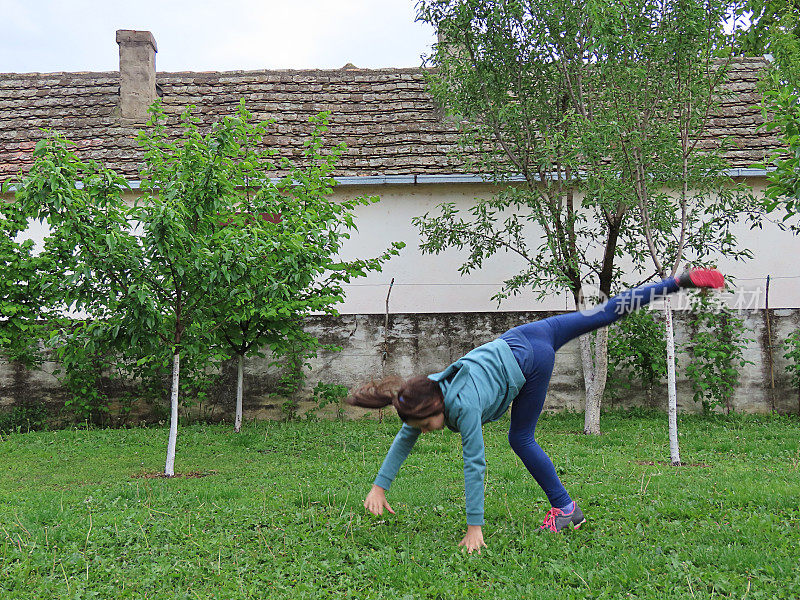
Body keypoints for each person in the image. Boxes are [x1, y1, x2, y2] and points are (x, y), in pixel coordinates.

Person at [347, 269, 725, 553]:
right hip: (527, 333)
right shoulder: (426, 388)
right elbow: (404, 436)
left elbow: (475, 465)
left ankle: (566, 509)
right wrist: (379, 487)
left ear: (436, 407)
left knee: (520, 437)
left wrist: (474, 528)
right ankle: (680, 281)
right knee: (606, 312)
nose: (425, 431)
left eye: (426, 425)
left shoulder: (462, 408)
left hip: (532, 359)